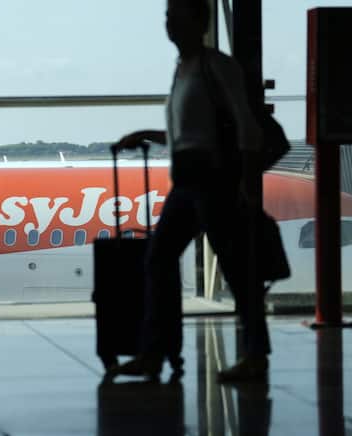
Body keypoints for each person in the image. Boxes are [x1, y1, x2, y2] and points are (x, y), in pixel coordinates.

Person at [109, 0, 270, 382]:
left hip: (213, 181)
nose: (169, 24)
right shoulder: (184, 70)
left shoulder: (217, 67)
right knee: (161, 261)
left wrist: (246, 182)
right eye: (167, 17)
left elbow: (245, 127)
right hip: (188, 182)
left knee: (231, 269)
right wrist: (147, 135)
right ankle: (154, 351)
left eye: (176, 17)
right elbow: (191, 131)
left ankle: (253, 354)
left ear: (199, 21)